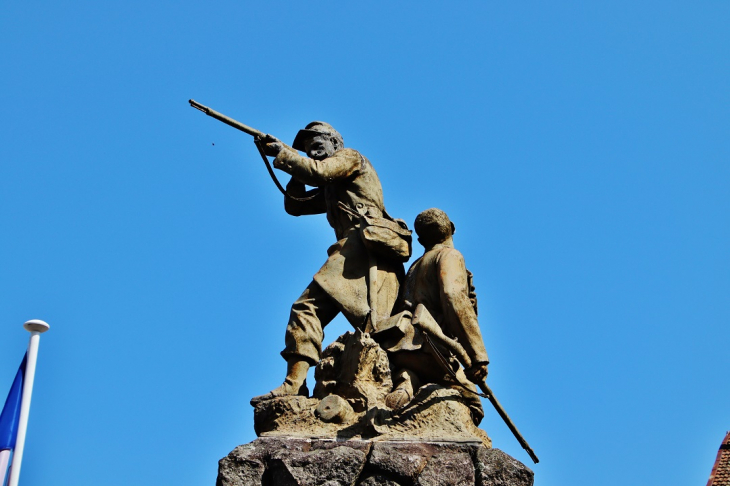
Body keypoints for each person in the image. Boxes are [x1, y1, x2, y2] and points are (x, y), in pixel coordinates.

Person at [251, 122, 409, 403]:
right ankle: (294, 383)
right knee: (316, 311)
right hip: (350, 250)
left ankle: (402, 384)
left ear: (336, 143)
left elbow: (318, 171)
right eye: (308, 149)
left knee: (362, 322)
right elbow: (296, 205)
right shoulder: (331, 185)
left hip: (363, 246)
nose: (313, 152)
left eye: (318, 145)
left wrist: (286, 154)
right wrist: (289, 164)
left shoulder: (350, 158)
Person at [380, 208, 489, 424]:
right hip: (431, 349)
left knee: (413, 373)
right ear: (453, 228)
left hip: (399, 348)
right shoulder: (449, 256)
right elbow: (453, 297)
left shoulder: (414, 267)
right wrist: (477, 356)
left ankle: (406, 381)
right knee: (472, 400)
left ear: (420, 240)